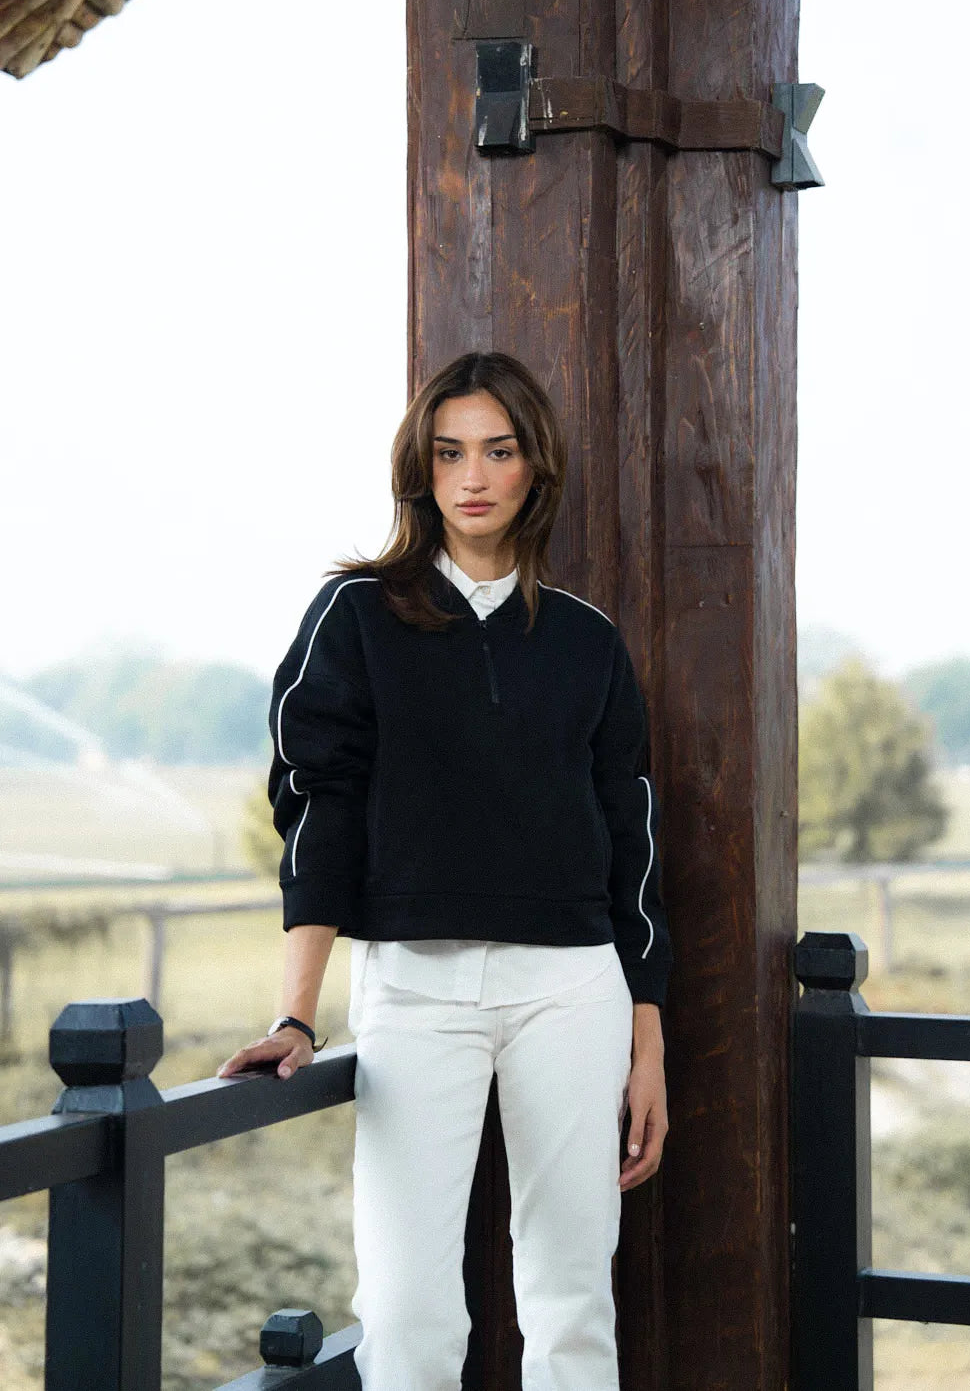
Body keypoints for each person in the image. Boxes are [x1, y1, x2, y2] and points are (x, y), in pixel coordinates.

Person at [218, 349, 674, 1391]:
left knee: (570, 1302)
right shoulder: (358, 617)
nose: (472, 476)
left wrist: (647, 1040)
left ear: (533, 469)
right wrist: (296, 1014)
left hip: (573, 990)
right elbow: (316, 808)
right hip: (416, 991)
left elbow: (631, 848)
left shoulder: (588, 644)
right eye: (448, 451)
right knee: (409, 1310)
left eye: (498, 452)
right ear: (419, 470)